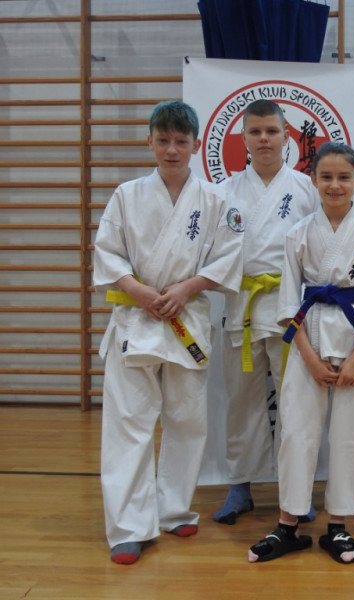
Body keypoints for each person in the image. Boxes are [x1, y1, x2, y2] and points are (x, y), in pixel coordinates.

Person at [93, 100, 244, 565]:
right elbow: (107, 252)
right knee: (129, 423)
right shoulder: (127, 195)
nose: (172, 150)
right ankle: (128, 527)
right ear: (149, 142)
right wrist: (138, 291)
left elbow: (229, 256)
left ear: (196, 144)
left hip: (186, 319)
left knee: (187, 419)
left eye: (181, 141)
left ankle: (174, 508)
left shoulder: (216, 200)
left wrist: (186, 289)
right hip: (136, 319)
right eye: (163, 141)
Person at [247, 142, 354, 565]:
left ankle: (339, 525)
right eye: (326, 177)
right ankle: (287, 524)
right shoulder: (298, 233)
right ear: (313, 181)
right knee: (296, 431)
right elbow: (288, 303)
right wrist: (308, 357)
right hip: (306, 338)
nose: (334, 185)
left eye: (344, 177)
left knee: (350, 434)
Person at [213, 99, 318, 526]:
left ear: (286, 135)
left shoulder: (307, 188)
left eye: (272, 131)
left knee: (295, 401)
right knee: (241, 400)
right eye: (255, 132)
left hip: (289, 308)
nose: (263, 139)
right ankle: (240, 485)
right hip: (241, 306)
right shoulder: (223, 191)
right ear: (243, 138)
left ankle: (298, 490)